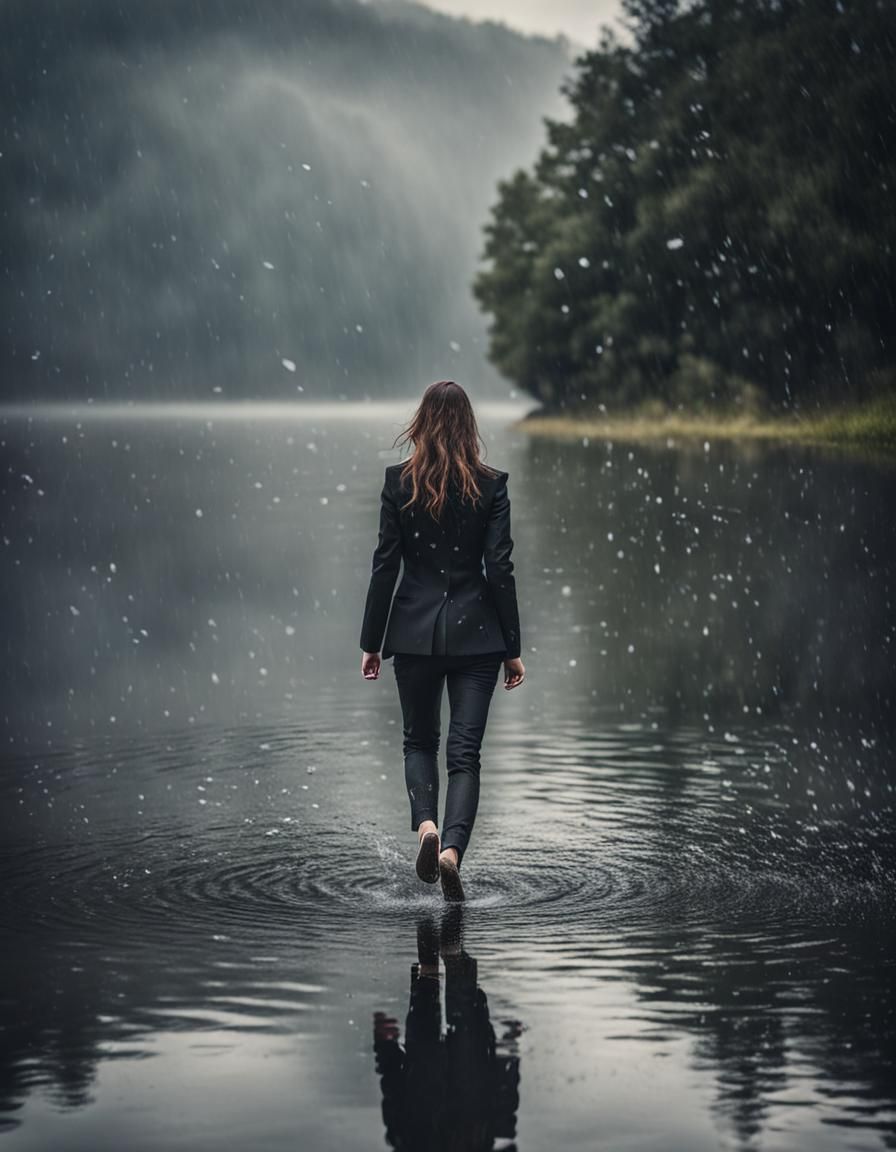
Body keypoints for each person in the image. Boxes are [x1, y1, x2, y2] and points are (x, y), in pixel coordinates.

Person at [359, 380, 526, 902]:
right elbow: (499, 568)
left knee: (418, 742)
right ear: (469, 426)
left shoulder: (398, 483)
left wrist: (371, 641)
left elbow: (386, 565)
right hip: (478, 636)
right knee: (465, 756)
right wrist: (512, 647)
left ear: (422, 424)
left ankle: (426, 827)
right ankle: (452, 853)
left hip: (411, 632)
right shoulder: (491, 486)